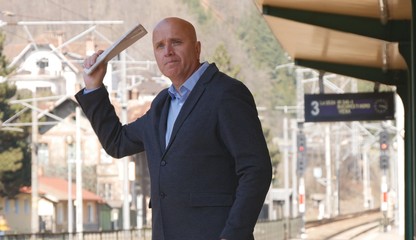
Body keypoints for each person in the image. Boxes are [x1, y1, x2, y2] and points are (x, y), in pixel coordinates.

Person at [76, 17, 272, 240]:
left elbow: (256, 170)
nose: (167, 51)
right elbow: (117, 142)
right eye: (159, 46)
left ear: (197, 48)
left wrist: (233, 235)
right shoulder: (162, 104)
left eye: (176, 42)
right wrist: (94, 88)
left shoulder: (226, 94)